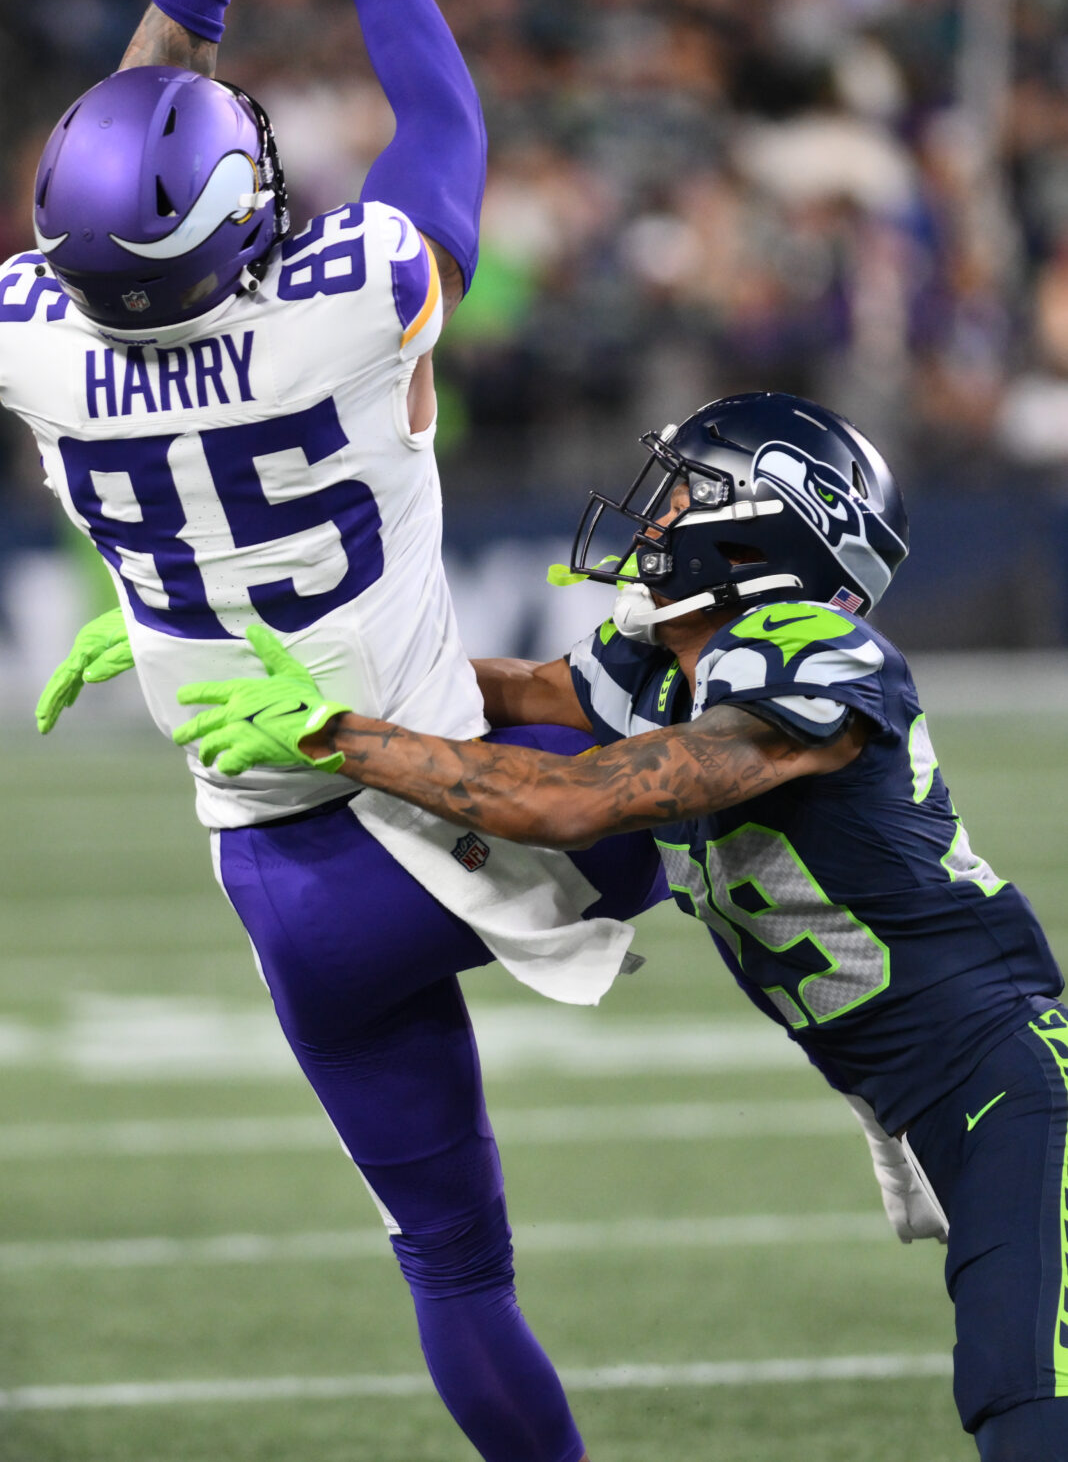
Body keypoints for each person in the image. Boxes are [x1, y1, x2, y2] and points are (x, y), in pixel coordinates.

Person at [0, 0, 666, 1462]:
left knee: (456, 1271)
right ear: (245, 213)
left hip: (295, 884)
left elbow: (115, 171)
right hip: (491, 800)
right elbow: (447, 129)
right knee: (752, 759)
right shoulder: (344, 314)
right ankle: (931, 1095)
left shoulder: (26, 338)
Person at [171, 389, 1068, 1462]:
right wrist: (217, 655)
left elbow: (570, 802)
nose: (652, 515)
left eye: (684, 491)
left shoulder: (808, 648)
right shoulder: (665, 666)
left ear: (761, 527)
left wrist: (338, 737)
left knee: (1024, 1401)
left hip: (1007, 1078)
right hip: (939, 1090)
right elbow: (496, 693)